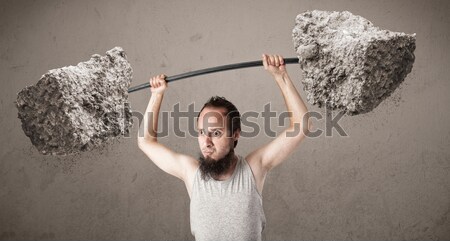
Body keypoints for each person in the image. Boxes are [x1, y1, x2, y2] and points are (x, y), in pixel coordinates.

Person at [138, 54, 311, 240]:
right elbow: (145, 141)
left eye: (216, 133)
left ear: (235, 134)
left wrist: (281, 76)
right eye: (201, 132)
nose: (207, 142)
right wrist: (156, 95)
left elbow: (301, 126)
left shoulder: (253, 169)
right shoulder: (191, 172)